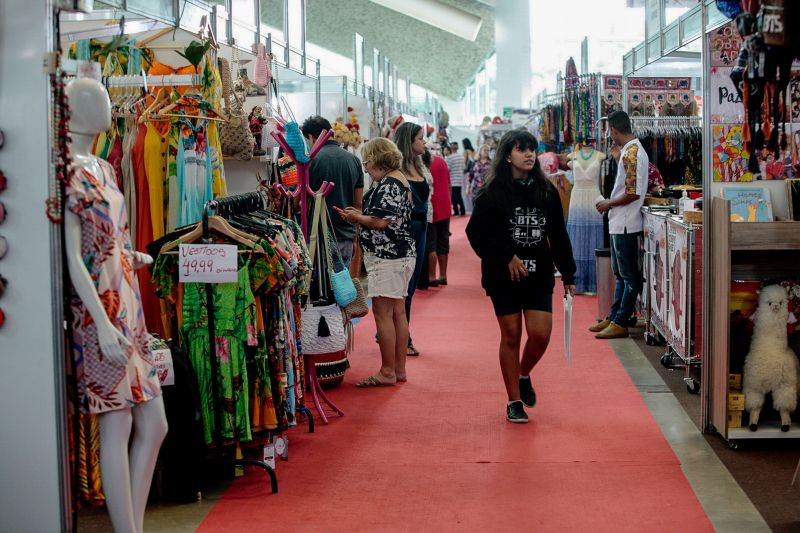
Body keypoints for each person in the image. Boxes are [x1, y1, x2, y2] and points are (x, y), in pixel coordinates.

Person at [466, 130, 577, 424]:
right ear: (507, 155)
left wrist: (569, 273)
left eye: (532, 149)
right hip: (502, 276)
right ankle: (514, 400)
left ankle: (523, 373)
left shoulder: (546, 190)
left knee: (541, 335)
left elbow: (558, 234)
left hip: (539, 272)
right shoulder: (490, 193)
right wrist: (506, 256)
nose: (529, 154)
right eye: (521, 149)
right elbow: (475, 233)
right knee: (512, 334)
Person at [340, 138, 416, 387]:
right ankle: (398, 369)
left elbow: (381, 221)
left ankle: (387, 371)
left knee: (384, 314)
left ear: (377, 159)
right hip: (398, 254)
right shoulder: (396, 179)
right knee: (397, 313)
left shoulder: (390, 183)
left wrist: (357, 217)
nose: (366, 167)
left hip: (388, 256)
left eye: (367, 161)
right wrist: (360, 216)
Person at [591, 111, 649, 339]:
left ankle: (621, 320)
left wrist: (608, 203)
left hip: (626, 221)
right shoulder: (628, 151)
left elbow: (632, 192)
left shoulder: (633, 152)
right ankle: (615, 316)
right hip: (620, 220)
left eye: (609, 131)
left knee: (628, 275)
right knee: (621, 274)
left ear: (614, 131)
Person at [303, 115, 364, 267]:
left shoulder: (311, 160)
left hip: (319, 237)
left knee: (321, 287)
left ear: (311, 137)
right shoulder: (354, 160)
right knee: (342, 285)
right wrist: (355, 238)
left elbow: (301, 201)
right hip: (346, 235)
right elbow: (358, 203)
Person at [394, 122, 431, 357]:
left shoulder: (420, 166)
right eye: (420, 138)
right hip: (404, 230)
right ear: (409, 142)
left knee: (412, 284)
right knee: (403, 286)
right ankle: (403, 336)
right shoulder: (395, 170)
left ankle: (398, 331)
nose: (424, 142)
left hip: (421, 229)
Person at [427, 147, 452, 286]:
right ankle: (443, 275)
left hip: (431, 206)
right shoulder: (442, 161)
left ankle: (432, 277)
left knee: (431, 244)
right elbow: (449, 184)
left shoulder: (423, 163)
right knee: (443, 242)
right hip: (445, 205)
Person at [446, 141, 467, 216]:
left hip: (453, 180)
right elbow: (464, 168)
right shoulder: (461, 157)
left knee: (454, 197)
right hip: (460, 179)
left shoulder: (449, 157)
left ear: (451, 147)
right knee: (459, 196)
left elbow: (447, 169)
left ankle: (456, 212)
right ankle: (463, 211)